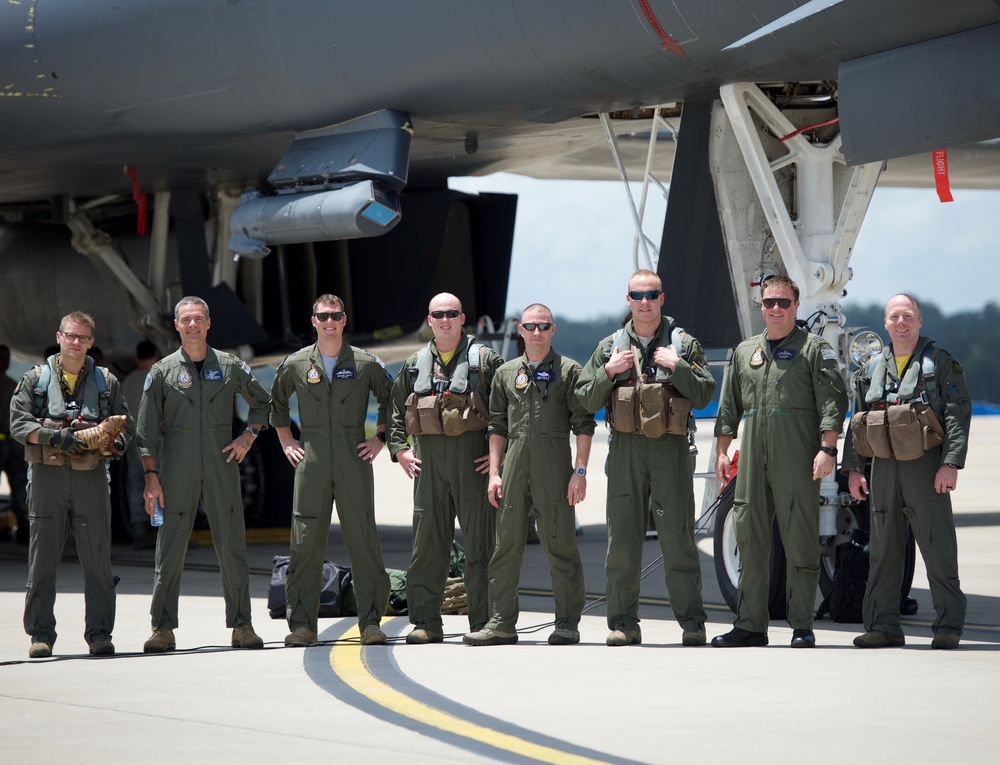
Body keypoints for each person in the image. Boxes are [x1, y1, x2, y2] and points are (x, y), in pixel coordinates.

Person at [576, 269, 715, 647]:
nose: (645, 302)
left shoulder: (683, 344)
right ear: (628, 300)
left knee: (679, 540)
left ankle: (692, 623)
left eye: (651, 294)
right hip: (626, 451)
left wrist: (678, 366)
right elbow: (584, 399)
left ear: (662, 299)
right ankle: (624, 623)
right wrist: (608, 373)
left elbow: (704, 396)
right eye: (637, 295)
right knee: (622, 541)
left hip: (669, 451)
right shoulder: (610, 347)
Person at [712, 275, 848, 648]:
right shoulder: (745, 353)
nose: (775, 309)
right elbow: (729, 409)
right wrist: (723, 451)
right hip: (753, 461)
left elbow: (833, 404)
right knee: (750, 541)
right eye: (769, 302)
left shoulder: (814, 349)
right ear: (761, 306)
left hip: (797, 459)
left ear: (796, 305)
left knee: (800, 542)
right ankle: (751, 626)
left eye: (783, 303)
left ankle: (801, 625)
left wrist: (828, 449)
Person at [137, 296, 270, 653]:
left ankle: (242, 625)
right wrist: (151, 478)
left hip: (221, 467)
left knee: (232, 547)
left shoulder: (229, 367)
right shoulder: (162, 372)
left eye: (198, 319)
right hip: (176, 470)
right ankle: (162, 628)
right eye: (186, 320)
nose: (192, 325)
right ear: (177, 326)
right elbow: (146, 433)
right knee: (169, 550)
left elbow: (264, 404)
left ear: (209, 323)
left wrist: (248, 435)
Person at [843, 294, 971, 649]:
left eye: (908, 316)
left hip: (925, 465)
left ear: (919, 321)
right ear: (885, 323)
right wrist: (853, 470)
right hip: (883, 466)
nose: (901, 323)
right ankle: (882, 626)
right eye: (894, 317)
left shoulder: (940, 363)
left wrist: (950, 463)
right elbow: (856, 421)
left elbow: (958, 414)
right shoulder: (870, 369)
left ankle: (948, 626)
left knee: (937, 546)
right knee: (883, 551)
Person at [464, 304, 595, 646]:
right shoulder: (507, 374)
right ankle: (501, 623)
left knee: (560, 545)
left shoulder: (569, 371)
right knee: (505, 546)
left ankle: (567, 623)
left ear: (553, 330)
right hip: (514, 467)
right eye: (531, 326)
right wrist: (495, 474)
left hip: (554, 466)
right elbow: (497, 428)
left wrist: (579, 472)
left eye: (543, 326)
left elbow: (583, 425)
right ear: (520, 330)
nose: (537, 332)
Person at [270, 294, 394, 647]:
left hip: (354, 454)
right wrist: (286, 441)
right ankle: (302, 625)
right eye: (323, 316)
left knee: (363, 540)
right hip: (311, 458)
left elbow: (393, 399)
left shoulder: (365, 362)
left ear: (344, 320)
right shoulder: (295, 364)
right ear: (314, 321)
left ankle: (371, 623)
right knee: (306, 541)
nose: (329, 321)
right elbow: (275, 403)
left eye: (335, 316)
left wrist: (380, 438)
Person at [9, 313, 134, 657]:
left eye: (83, 337)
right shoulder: (34, 381)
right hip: (47, 477)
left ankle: (99, 635)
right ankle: (40, 635)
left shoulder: (106, 382)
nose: (76, 342)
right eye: (70, 336)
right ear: (59, 337)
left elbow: (126, 428)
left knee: (97, 559)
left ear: (91, 342)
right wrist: (55, 437)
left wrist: (114, 443)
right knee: (43, 557)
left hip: (90, 475)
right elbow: (19, 423)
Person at [388, 293, 502, 643]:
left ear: (462, 317)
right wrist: (400, 450)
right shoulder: (413, 364)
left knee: (481, 548)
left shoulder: (485, 360)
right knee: (427, 548)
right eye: (438, 314)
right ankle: (426, 622)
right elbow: (394, 413)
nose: (445, 319)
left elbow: (507, 412)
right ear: (430, 319)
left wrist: (499, 457)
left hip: (474, 465)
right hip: (429, 466)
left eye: (452, 313)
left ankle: (484, 622)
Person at [122, 340, 160, 549]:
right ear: (155, 357)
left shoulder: (126, 381)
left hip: (132, 441)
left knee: (136, 484)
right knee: (160, 482)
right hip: (154, 442)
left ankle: (139, 530)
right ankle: (161, 530)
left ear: (137, 358)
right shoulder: (156, 378)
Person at [0, 344, 29, 544]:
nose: (5, 361)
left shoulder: (14, 386)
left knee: (21, 489)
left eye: (6, 357)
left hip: (14, 444)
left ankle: (24, 529)